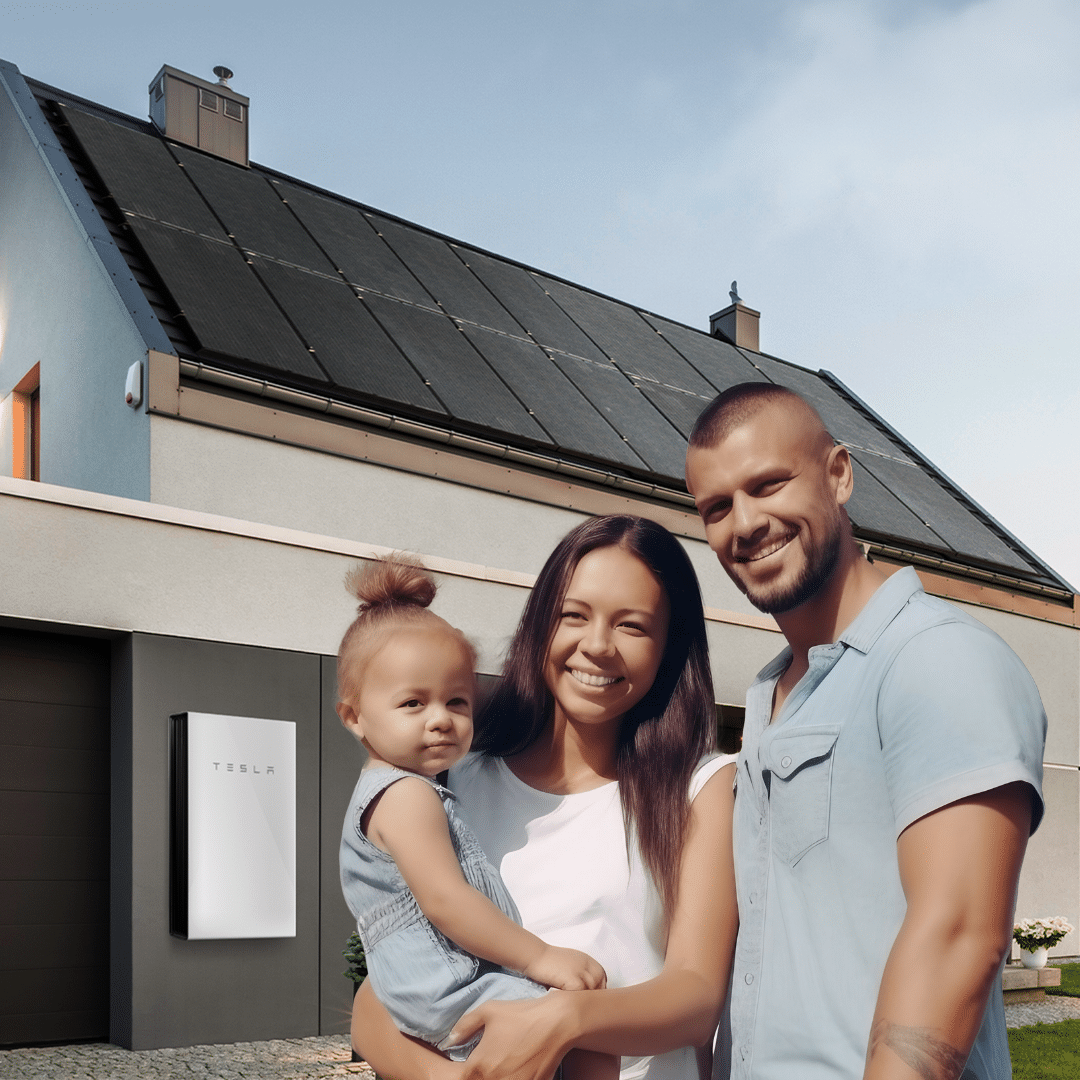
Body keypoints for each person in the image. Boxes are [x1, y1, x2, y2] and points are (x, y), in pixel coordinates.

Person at [684, 383, 1047, 1080]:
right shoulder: (768, 696)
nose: (745, 523)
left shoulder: (937, 658)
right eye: (717, 508)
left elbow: (959, 938)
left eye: (768, 484)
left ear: (839, 474)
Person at [350, 515, 740, 1080]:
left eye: (632, 626)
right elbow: (379, 996)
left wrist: (566, 1020)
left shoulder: (702, 787)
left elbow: (696, 996)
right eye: (573, 616)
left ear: (668, 646)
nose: (598, 646)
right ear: (540, 624)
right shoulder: (451, 781)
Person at [336, 556, 615, 1079]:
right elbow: (446, 900)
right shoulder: (405, 796)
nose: (441, 719)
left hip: (434, 982)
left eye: (457, 702)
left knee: (584, 1035)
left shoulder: (411, 789)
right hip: (445, 984)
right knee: (588, 1030)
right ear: (354, 716)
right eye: (413, 703)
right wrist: (538, 957)